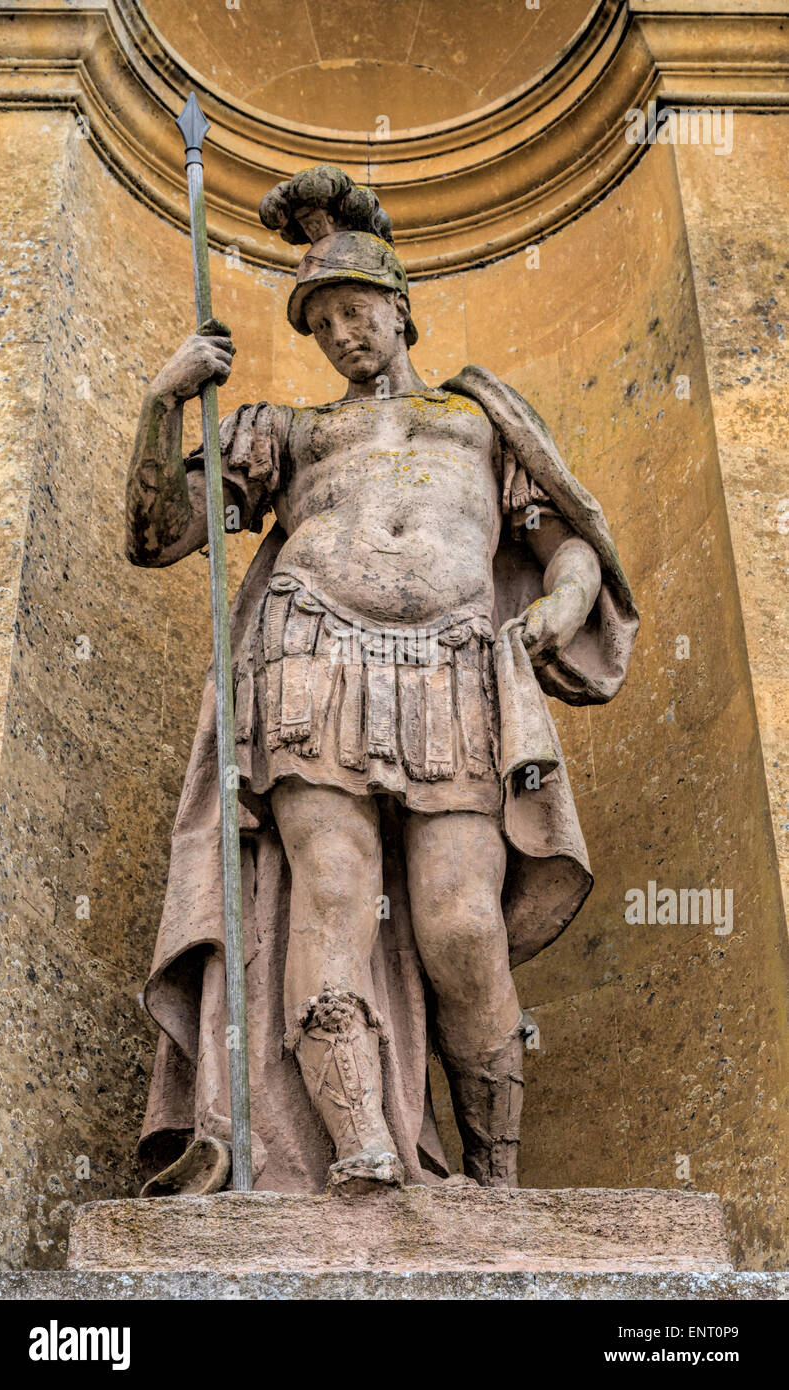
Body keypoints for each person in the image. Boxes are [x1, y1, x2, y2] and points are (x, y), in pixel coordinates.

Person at [127, 166, 637, 1196]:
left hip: (455, 670)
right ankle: (358, 1142)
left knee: (459, 921)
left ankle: (497, 1178)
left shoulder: (479, 418)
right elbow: (159, 534)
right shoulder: (293, 432)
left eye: (358, 312)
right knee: (334, 895)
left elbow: (565, 545)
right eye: (323, 323)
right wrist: (161, 402)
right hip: (311, 664)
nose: (345, 336)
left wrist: (566, 606)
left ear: (402, 310)